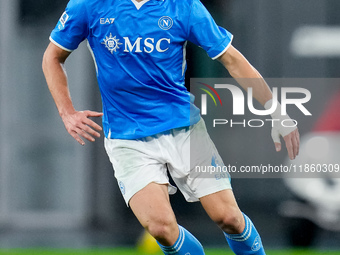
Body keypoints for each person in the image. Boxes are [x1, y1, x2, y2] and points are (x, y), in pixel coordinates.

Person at [42, 0, 300, 254]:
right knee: (161, 228)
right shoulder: (89, 5)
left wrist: (276, 111)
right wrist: (67, 112)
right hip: (127, 138)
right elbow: (53, 57)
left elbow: (231, 59)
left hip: (184, 131)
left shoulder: (184, 6)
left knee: (229, 218)